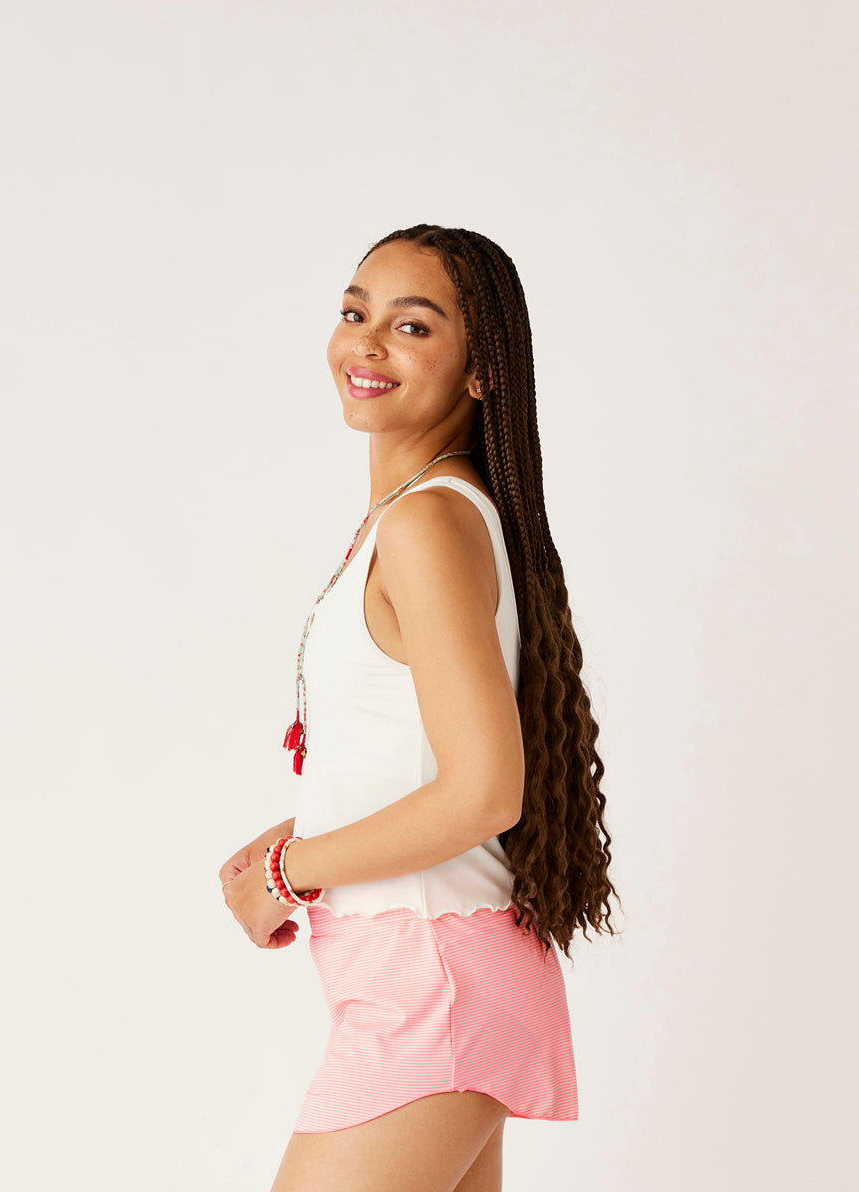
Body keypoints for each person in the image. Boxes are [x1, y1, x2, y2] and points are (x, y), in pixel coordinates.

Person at [219, 224, 620, 1192]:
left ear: (481, 371)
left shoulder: (429, 521)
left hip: (430, 985)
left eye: (411, 326)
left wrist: (287, 871)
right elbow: (417, 757)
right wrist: (299, 830)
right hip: (430, 974)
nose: (365, 342)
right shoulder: (426, 513)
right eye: (354, 311)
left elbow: (483, 791)